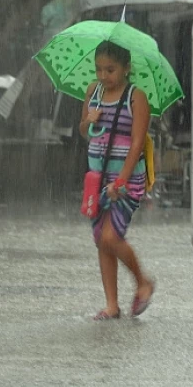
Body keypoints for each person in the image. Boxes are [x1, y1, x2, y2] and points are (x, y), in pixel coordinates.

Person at [79, 40, 156, 320]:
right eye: (98, 69)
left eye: (110, 70)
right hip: (97, 179)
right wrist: (89, 120)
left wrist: (121, 181)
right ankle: (112, 305)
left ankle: (143, 281)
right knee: (102, 240)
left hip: (125, 180)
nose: (103, 76)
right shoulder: (93, 91)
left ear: (126, 68)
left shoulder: (136, 97)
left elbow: (137, 143)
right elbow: (84, 132)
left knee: (112, 236)